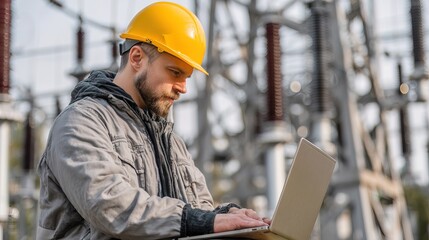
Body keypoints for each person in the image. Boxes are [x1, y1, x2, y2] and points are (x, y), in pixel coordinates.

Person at [36, 1, 269, 239]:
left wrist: (231, 216)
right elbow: (109, 205)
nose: (183, 88)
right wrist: (203, 221)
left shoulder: (171, 142)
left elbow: (198, 214)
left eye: (187, 77)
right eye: (175, 72)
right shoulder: (81, 122)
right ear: (137, 58)